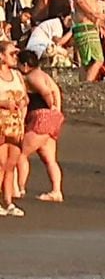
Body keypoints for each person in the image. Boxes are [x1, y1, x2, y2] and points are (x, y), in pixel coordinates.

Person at [18, 49, 64, 202]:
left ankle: (20, 188)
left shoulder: (32, 76)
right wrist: (58, 109)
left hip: (41, 117)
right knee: (50, 159)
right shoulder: (44, 74)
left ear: (25, 65)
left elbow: (46, 92)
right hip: (53, 119)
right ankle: (56, 191)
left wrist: (52, 106)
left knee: (21, 153)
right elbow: (55, 90)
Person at [0, 42, 27, 215]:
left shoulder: (17, 75)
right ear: (1, 56)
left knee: (11, 164)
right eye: (12, 53)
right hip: (1, 124)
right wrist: (3, 103)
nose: (15, 56)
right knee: (1, 164)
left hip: (16, 125)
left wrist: (22, 102)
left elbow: (25, 97)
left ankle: (8, 202)